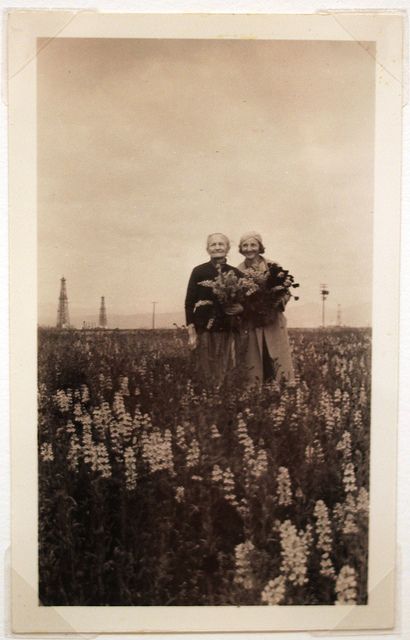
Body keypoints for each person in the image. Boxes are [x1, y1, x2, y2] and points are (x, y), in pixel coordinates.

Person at [185, 233, 243, 386]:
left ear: (228, 248)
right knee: (204, 365)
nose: (217, 247)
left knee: (225, 363)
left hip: (227, 325)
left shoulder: (235, 273)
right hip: (203, 325)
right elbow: (189, 302)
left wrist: (240, 308)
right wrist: (191, 330)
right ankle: (205, 397)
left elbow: (246, 299)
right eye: (213, 244)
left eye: (221, 244)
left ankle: (223, 395)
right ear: (207, 249)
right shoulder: (199, 271)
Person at [237, 231, 295, 385]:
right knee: (254, 358)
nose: (249, 249)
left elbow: (286, 292)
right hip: (251, 321)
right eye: (245, 245)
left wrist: (274, 302)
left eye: (253, 245)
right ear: (241, 249)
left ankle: (282, 390)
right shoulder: (237, 271)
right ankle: (255, 392)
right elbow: (236, 297)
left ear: (260, 247)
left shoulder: (273, 266)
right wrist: (247, 307)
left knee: (276, 356)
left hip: (273, 320)